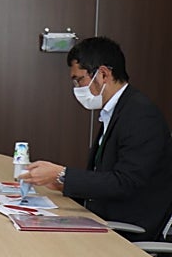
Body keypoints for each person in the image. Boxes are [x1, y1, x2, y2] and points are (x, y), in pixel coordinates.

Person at [22, 36, 172, 239]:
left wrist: (63, 174)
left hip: (128, 229)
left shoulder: (141, 115)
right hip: (103, 216)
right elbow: (105, 176)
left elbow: (125, 182)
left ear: (103, 74)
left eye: (79, 80)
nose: (77, 88)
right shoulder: (117, 110)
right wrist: (63, 183)